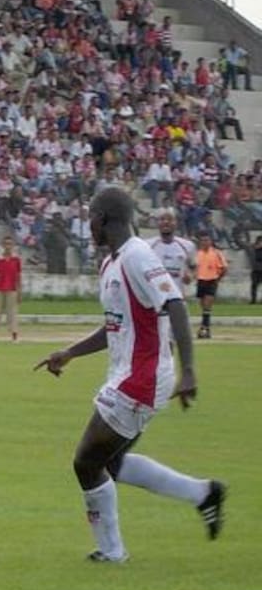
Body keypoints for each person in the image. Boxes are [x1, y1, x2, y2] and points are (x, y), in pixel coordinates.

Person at [34, 186, 225, 562]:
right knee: (112, 463)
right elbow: (114, 325)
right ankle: (204, 494)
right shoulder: (111, 263)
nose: (88, 224)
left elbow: (175, 305)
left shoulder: (139, 255)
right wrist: (70, 353)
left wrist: (189, 371)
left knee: (86, 461)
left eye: (91, 217)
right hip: (127, 374)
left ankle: (112, 552)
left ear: (103, 219)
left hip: (142, 376)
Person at [146, 209, 196, 299]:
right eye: (162, 219)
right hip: (155, 298)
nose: (166, 222)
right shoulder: (148, 245)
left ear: (176, 223)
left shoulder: (187, 246)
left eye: (170, 219)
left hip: (177, 297)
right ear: (157, 223)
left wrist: (190, 276)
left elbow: (193, 267)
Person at [194, 234, 227, 339]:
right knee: (203, 305)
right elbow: (193, 267)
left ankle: (205, 327)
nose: (205, 242)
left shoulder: (216, 253)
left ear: (211, 241)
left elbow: (224, 268)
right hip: (200, 280)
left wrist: (218, 279)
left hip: (211, 280)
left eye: (207, 240)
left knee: (208, 304)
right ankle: (205, 327)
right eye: (203, 240)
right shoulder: (197, 254)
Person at [0, 235, 22, 342]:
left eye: (10, 244)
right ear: (2, 245)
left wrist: (19, 291)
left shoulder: (16, 259)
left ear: (13, 246)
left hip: (12, 289)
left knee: (12, 313)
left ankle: (14, 335)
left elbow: (18, 276)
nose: (8, 246)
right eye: (6, 244)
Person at [251, 235, 262, 304]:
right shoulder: (254, 249)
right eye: (259, 241)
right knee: (254, 285)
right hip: (256, 270)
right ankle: (253, 300)